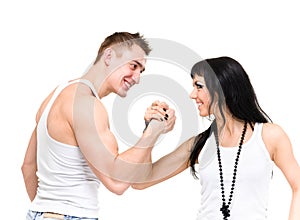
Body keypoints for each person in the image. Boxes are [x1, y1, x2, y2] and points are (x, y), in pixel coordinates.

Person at [21, 32, 176, 220]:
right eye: (133, 66)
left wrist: (48, 211)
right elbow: (116, 182)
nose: (137, 78)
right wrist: (153, 131)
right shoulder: (87, 105)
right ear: (109, 56)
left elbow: (28, 167)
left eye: (141, 71)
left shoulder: (57, 93)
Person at [132, 56, 300, 220]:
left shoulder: (269, 136)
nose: (192, 95)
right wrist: (151, 132)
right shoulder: (200, 144)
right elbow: (140, 181)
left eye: (199, 86)